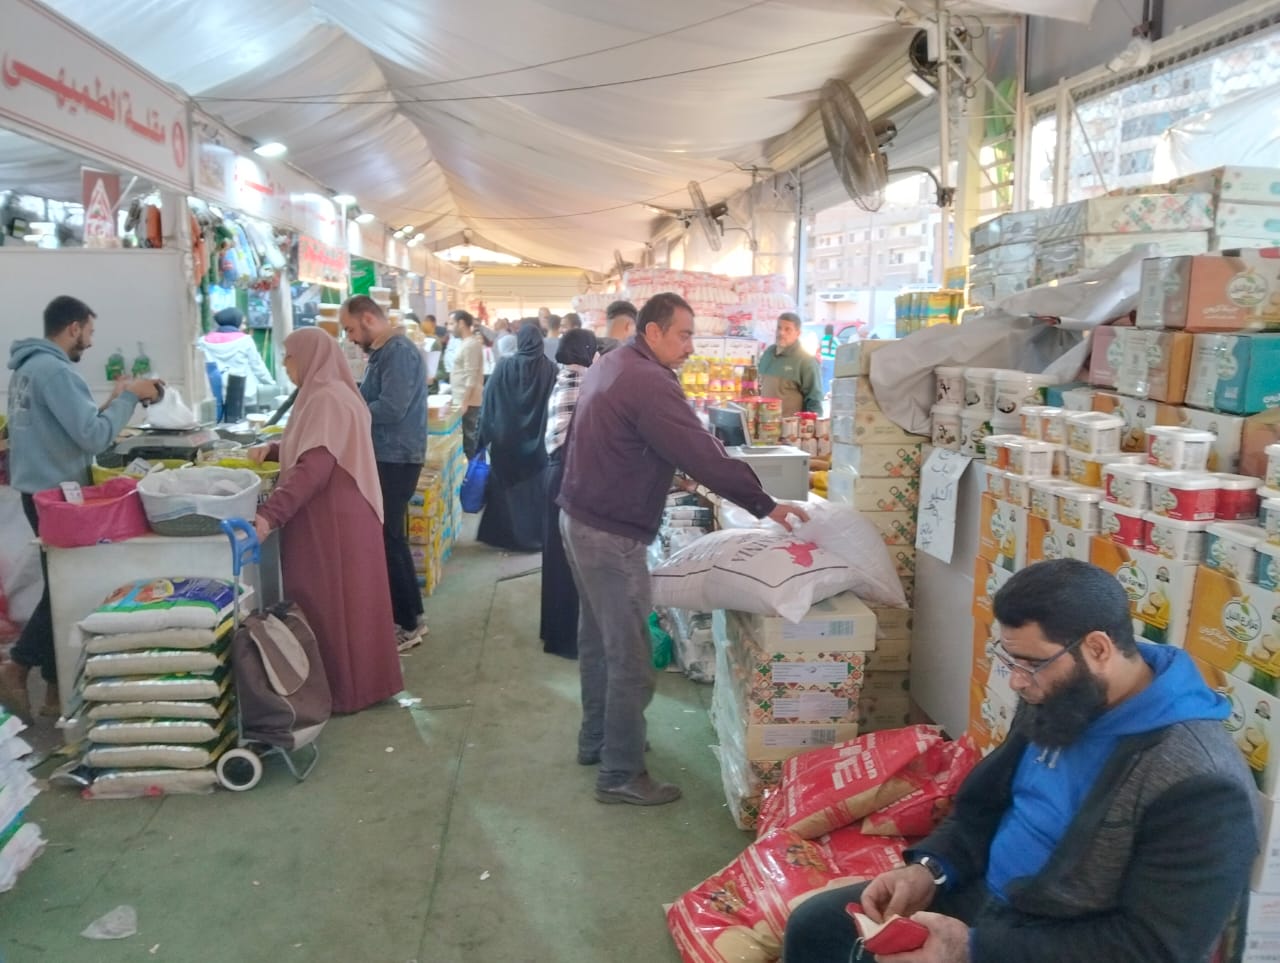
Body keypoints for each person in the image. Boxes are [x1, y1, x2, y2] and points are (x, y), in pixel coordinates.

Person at [782, 557, 1259, 963]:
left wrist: (972, 948)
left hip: (1060, 936)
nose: (1015, 681)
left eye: (1031, 663)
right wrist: (930, 868)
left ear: (1098, 648)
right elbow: (984, 808)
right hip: (987, 899)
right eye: (1010, 660)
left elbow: (1156, 947)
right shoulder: (1062, 695)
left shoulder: (1200, 783)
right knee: (817, 926)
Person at [558, 292, 808, 806]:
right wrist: (764, 504)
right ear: (653, 332)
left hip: (580, 517)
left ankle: (599, 739)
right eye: (684, 334)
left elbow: (624, 441)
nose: (691, 346)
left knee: (599, 641)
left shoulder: (614, 362)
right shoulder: (649, 379)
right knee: (631, 657)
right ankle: (620, 773)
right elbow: (701, 451)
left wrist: (670, 474)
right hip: (610, 534)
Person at [0, 295, 162, 721]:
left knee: (59, 582)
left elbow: (70, 428)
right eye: (88, 333)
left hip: (37, 491)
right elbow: (93, 437)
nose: (89, 343)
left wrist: (114, 400)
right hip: (58, 497)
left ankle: (57, 692)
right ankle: (17, 665)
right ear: (73, 328)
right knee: (65, 587)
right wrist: (131, 397)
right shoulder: (55, 371)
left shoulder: (27, 369)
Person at [250, 328, 403, 714]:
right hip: (345, 515)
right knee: (353, 603)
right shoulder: (329, 393)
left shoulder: (326, 399)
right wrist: (273, 450)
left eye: (289, 356)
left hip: (332, 520)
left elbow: (314, 467)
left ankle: (344, 691)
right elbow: (319, 447)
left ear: (308, 356)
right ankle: (364, 684)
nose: (285, 364)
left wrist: (269, 516)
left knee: (333, 604)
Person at [340, 295, 429, 651]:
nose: (350, 338)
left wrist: (349, 409)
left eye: (350, 329)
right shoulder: (385, 353)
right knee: (391, 537)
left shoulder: (397, 352)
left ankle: (407, 623)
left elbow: (392, 408)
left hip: (396, 456)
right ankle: (412, 617)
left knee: (389, 538)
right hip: (391, 454)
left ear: (368, 319)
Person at [540, 328, 598, 660]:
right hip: (569, 474)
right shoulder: (582, 381)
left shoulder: (564, 376)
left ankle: (555, 633)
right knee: (571, 560)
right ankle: (567, 640)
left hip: (556, 473)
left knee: (557, 557)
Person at [476, 324, 558, 552]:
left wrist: (481, 438)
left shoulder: (504, 366)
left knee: (506, 494)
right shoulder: (551, 370)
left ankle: (507, 538)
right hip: (539, 446)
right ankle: (535, 538)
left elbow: (488, 401)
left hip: (506, 443)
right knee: (533, 494)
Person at [198, 307, 276, 410]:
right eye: (242, 323)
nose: (244, 327)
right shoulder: (245, 341)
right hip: (244, 396)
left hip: (215, 395)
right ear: (235, 322)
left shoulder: (203, 341)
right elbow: (258, 367)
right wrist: (271, 384)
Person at [758, 311, 823, 417]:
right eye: (779, 328)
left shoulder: (806, 361)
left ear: (798, 333)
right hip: (764, 423)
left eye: (787, 329)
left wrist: (812, 424)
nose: (781, 333)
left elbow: (814, 401)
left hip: (789, 426)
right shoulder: (768, 353)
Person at [450, 310, 485, 459]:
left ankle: (472, 470)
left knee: (469, 441)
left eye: (451, 323)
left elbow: (471, 376)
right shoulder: (466, 344)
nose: (449, 328)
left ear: (461, 323)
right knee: (466, 440)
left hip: (469, 402)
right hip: (464, 400)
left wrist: (464, 403)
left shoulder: (471, 345)